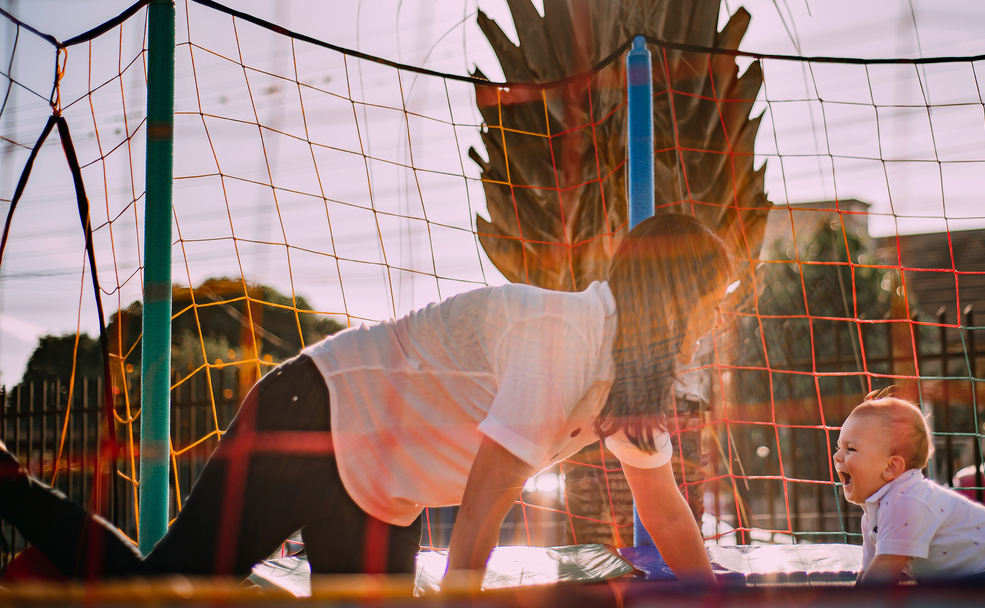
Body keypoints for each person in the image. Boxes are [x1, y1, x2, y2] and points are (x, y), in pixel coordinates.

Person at [0, 213, 730, 588]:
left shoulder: (627, 377)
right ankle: (12, 487)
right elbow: (481, 510)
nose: (712, 321)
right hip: (312, 413)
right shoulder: (563, 338)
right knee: (167, 589)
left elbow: (664, 512)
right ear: (672, 298)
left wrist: (715, 603)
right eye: (709, 302)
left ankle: (43, 547)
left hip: (378, 491)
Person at [834, 389, 985, 586]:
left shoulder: (906, 500)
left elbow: (884, 571)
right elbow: (868, 572)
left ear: (891, 466)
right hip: (969, 575)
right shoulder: (873, 514)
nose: (837, 456)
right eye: (839, 447)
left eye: (850, 449)